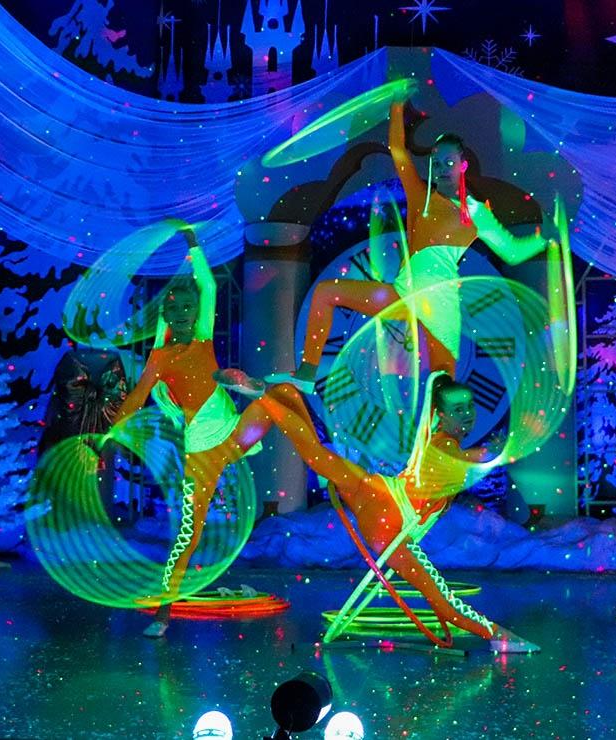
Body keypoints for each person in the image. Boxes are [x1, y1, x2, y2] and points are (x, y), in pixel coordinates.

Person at [265, 95, 552, 392]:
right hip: (402, 294)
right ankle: (307, 373)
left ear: (463, 165)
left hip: (439, 304)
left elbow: (512, 252)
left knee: (443, 387)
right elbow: (398, 150)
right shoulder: (420, 196)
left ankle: (439, 422)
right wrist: (396, 104)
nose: (442, 169)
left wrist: (544, 239)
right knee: (326, 292)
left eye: (449, 163)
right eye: (436, 163)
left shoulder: (477, 212)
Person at [256, 372, 539, 653]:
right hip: (391, 519)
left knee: (317, 453)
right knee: (440, 598)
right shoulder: (444, 444)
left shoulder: (437, 441)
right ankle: (497, 635)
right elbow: (466, 459)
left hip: (380, 495)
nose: (467, 414)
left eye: (469, 406)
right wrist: (497, 450)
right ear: (441, 416)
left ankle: (274, 396)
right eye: (457, 409)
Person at [112, 222, 272, 637]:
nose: (184, 314)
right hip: (201, 453)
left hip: (234, 436)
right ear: (165, 316)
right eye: (175, 309)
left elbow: (209, 286)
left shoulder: (203, 339)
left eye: (189, 307)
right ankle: (165, 611)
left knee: (280, 400)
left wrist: (194, 245)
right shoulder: (160, 357)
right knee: (189, 534)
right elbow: (138, 396)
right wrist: (113, 431)